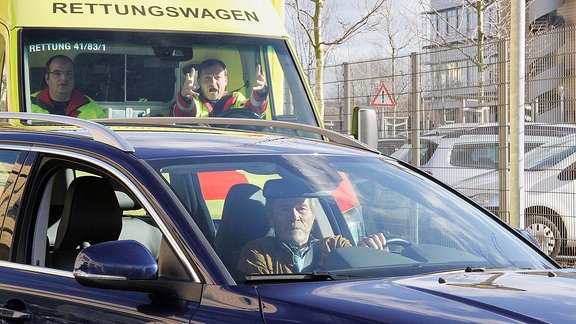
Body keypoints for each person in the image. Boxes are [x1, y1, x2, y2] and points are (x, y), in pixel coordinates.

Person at [236, 178, 387, 275]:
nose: (294, 216)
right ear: (271, 217)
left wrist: (363, 254)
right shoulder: (258, 252)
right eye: (284, 209)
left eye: (301, 208)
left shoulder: (335, 245)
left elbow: (353, 281)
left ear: (313, 215)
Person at [173, 58, 268, 117]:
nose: (213, 82)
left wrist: (260, 93)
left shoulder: (235, 99)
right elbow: (183, 116)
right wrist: (185, 97)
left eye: (217, 77)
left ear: (226, 81)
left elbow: (253, 111)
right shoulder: (194, 100)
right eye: (207, 78)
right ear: (199, 81)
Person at [30, 55, 107, 119]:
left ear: (74, 78)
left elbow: (105, 133)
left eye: (69, 73)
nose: (64, 78)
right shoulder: (29, 103)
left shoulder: (90, 106)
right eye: (57, 73)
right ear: (47, 78)